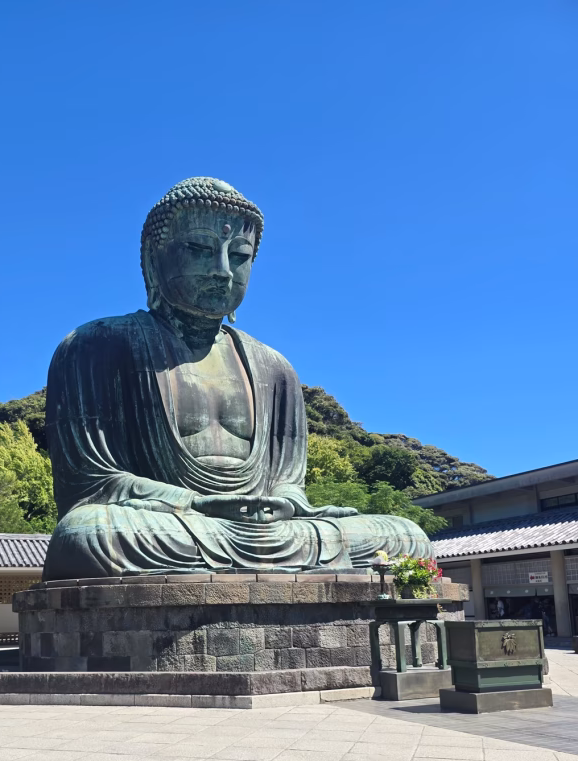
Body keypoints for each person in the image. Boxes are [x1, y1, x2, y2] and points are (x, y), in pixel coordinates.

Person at [44, 177, 433, 578]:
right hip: (170, 523)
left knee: (406, 537)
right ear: (152, 258)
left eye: (241, 256)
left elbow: (286, 482)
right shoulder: (97, 346)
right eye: (200, 250)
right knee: (87, 533)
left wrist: (286, 502)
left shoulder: (274, 368)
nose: (223, 272)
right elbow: (91, 485)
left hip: (265, 531)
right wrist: (192, 504)